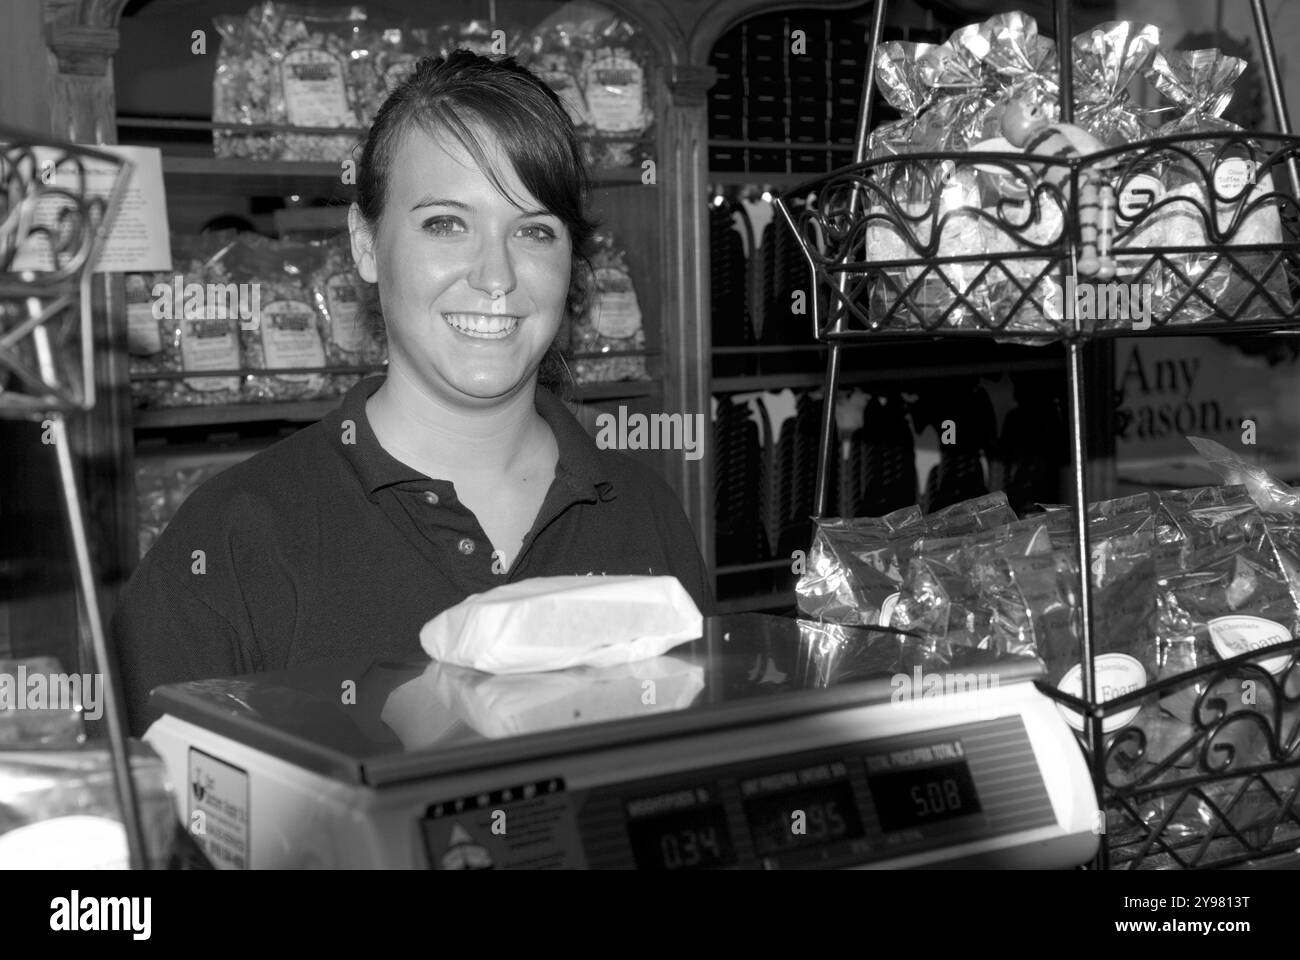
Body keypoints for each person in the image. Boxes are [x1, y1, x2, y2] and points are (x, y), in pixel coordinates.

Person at [113, 51, 712, 738]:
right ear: (365, 244)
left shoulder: (645, 510)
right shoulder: (235, 537)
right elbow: (151, 825)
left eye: (535, 230)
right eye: (445, 223)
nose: (496, 276)